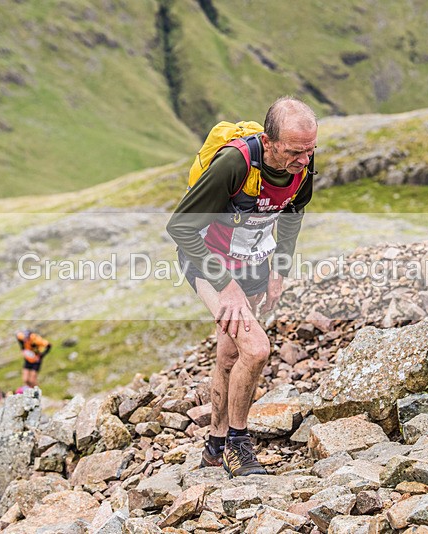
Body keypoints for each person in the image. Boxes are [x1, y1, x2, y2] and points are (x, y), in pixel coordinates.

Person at [166, 96, 317, 477]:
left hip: (253, 262)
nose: (305, 160)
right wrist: (225, 286)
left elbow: (293, 214)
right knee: (256, 348)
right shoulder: (234, 164)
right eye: (295, 151)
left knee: (230, 355)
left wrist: (279, 268)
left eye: (311, 150)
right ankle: (238, 442)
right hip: (207, 261)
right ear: (269, 143)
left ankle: (214, 447)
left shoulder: (301, 164)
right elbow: (180, 228)